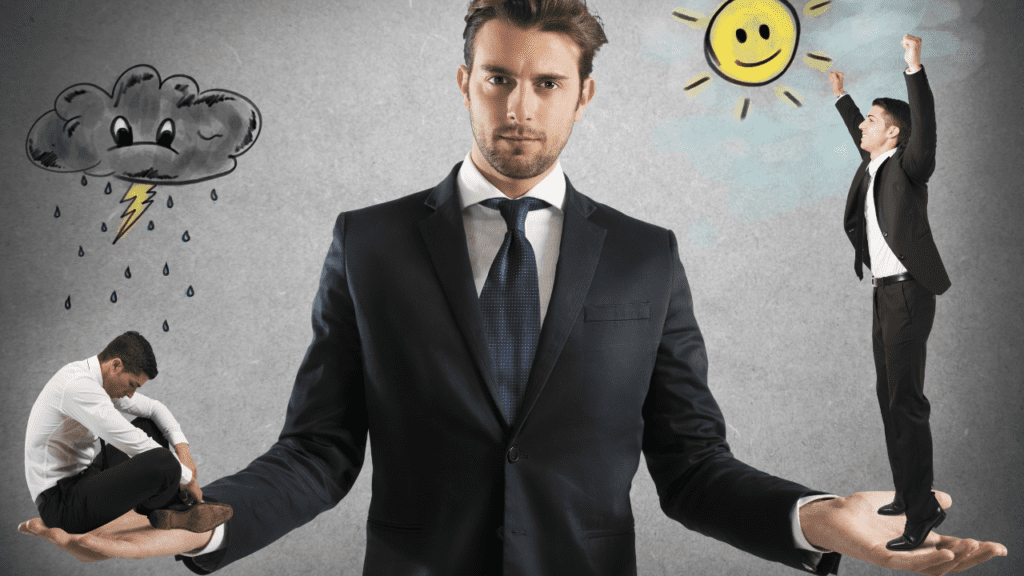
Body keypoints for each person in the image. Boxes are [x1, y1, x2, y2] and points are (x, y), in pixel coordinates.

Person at [19, 3, 1005, 575]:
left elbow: (692, 466)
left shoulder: (646, 256)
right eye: (497, 79)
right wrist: (198, 523)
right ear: (465, 83)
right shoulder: (369, 243)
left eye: (545, 83)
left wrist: (814, 518)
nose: (518, 107)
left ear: (584, 94)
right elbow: (320, 450)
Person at [829, 35, 950, 551]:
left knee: (906, 401)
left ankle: (922, 511)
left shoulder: (909, 164)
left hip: (908, 293)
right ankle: (906, 490)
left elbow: (924, 126)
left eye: (872, 120)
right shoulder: (873, 164)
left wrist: (914, 67)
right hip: (883, 295)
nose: (863, 126)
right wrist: (843, 98)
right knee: (889, 396)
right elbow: (858, 131)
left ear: (895, 132)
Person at [23, 330, 232, 535]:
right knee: (163, 460)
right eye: (132, 384)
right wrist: (187, 479)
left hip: (85, 477)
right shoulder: (77, 387)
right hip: (61, 504)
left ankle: (167, 510)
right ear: (115, 365)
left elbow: (154, 408)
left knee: (150, 425)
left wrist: (183, 451)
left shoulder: (98, 380)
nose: (131, 394)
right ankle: (176, 507)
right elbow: (134, 443)